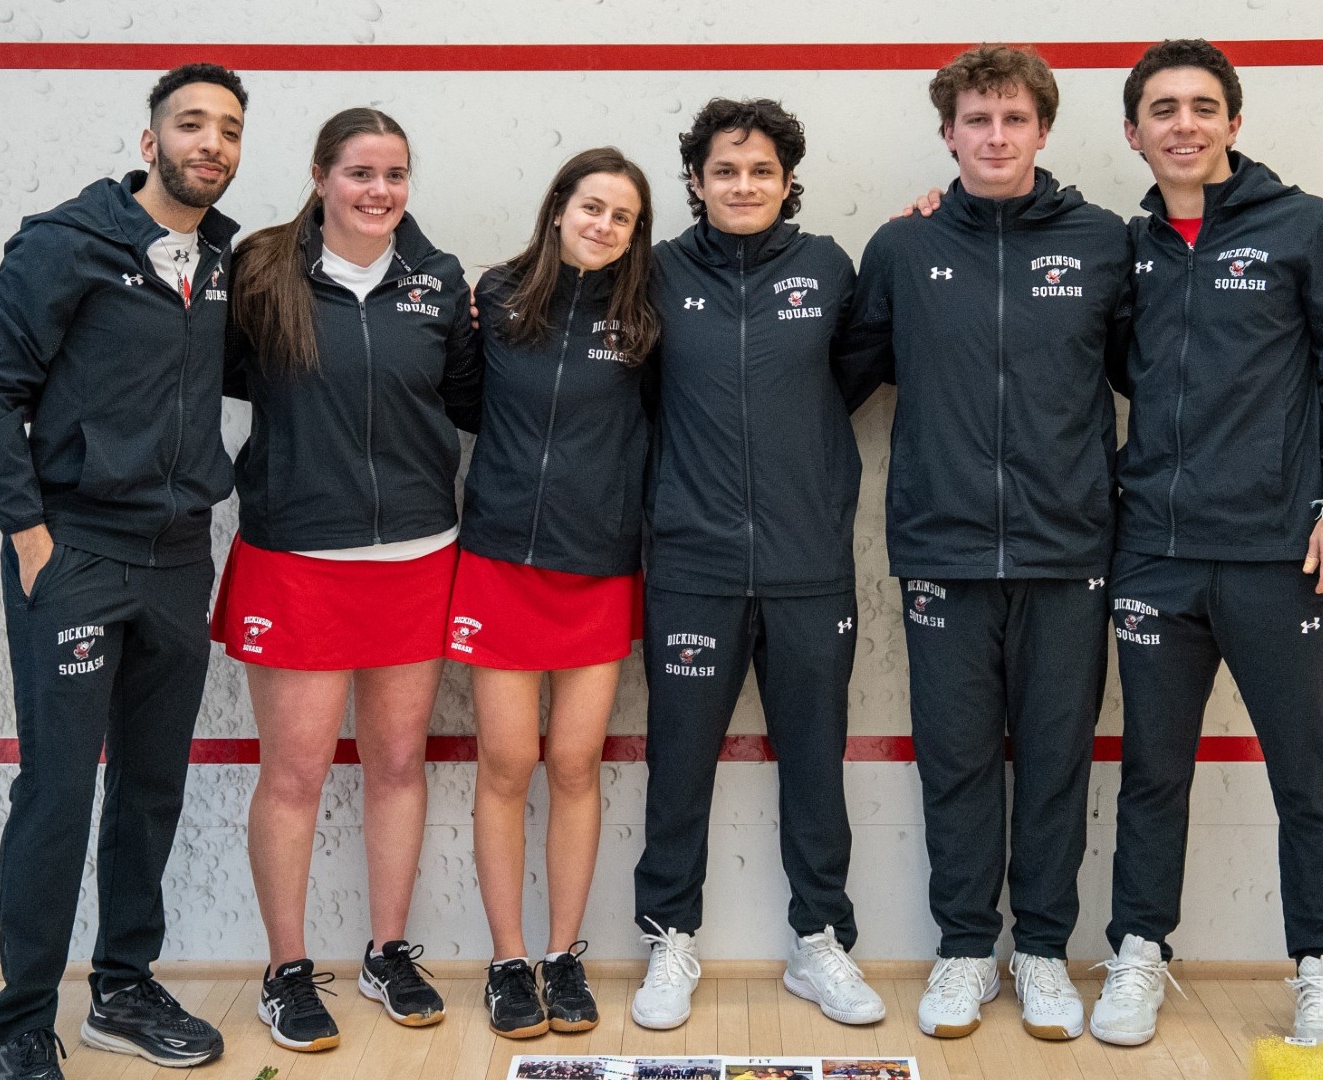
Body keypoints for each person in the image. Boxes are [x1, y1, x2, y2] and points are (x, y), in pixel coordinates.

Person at [1087, 38, 1323, 1047]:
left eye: (1202, 106)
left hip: (1278, 553)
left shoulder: (1307, 228)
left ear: (1233, 123)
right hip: (1155, 556)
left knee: (1305, 770)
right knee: (1152, 773)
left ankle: (1322, 971)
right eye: (1162, 109)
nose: (1183, 124)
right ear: (1134, 132)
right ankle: (1136, 953)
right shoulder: (1124, 251)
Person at [0, 62, 246, 1080]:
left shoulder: (222, 261)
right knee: (57, 794)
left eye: (229, 131)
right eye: (193, 125)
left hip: (178, 559)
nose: (212, 143)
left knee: (151, 788)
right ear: (149, 141)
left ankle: (122, 988)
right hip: (74, 554)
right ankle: (23, 1025)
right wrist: (32, 539)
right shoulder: (67, 242)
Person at [848, 44, 1130, 1041]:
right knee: (958, 761)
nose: (997, 136)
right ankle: (967, 949)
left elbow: (1162, 379)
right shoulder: (901, 249)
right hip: (943, 553)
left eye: (1014, 119)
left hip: (1071, 554)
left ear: (1043, 130)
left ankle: (1044, 952)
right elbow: (835, 380)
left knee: (1054, 759)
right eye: (978, 120)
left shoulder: (1103, 243)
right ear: (949, 134)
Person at [213, 106, 478, 1052]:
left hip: (416, 555)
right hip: (296, 560)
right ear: (322, 176)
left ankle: (386, 949)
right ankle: (286, 969)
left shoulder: (439, 282)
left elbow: (470, 398)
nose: (380, 192)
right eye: (361, 173)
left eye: (395, 174)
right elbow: (224, 376)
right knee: (294, 772)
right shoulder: (260, 271)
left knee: (398, 763)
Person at [630, 97, 886, 1031]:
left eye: (762, 172)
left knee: (815, 763)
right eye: (726, 171)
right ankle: (668, 937)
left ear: (787, 182)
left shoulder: (827, 269)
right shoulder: (652, 274)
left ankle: (819, 943)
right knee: (678, 761)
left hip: (806, 563)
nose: (744, 186)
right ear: (695, 181)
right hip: (690, 565)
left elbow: (845, 379)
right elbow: (639, 396)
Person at [447, 146, 660, 1038]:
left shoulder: (648, 319)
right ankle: (507, 961)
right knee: (507, 765)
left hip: (599, 566)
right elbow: (461, 401)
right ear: (559, 207)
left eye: (622, 216)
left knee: (573, 765)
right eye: (591, 207)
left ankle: (565, 956)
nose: (604, 225)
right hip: (498, 561)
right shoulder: (492, 298)